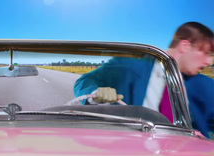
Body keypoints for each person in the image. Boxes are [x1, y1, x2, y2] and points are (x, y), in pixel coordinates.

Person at [73, 22, 214, 139]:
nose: (210, 61)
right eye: (206, 53)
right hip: (129, 152)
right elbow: (84, 81)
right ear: (185, 46)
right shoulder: (129, 65)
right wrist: (96, 93)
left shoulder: (207, 86)